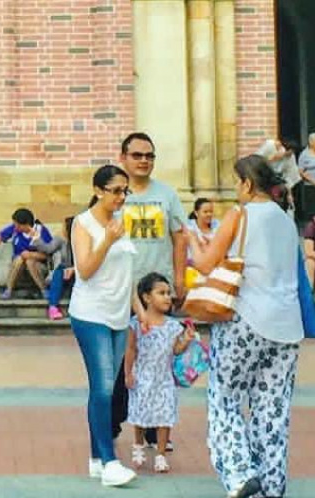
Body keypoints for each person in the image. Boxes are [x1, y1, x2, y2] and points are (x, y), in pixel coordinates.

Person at [187, 155, 304, 498]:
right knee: (273, 411)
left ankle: (239, 473)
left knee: (224, 399)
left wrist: (190, 239)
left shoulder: (240, 214)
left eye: (237, 183)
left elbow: (205, 264)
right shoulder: (286, 219)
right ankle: (271, 488)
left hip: (245, 319)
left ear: (248, 184)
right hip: (287, 325)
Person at [113, 132, 187, 447]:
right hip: (123, 290)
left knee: (159, 359)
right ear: (123, 158)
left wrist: (179, 280)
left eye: (149, 156)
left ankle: (158, 429)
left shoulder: (166, 195)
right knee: (123, 359)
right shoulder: (116, 196)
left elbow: (180, 237)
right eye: (137, 155)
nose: (144, 161)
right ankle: (116, 421)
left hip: (157, 292)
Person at [68, 164, 138, 488]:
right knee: (103, 386)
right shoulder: (83, 224)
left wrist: (140, 310)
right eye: (116, 191)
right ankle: (110, 462)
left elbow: (128, 272)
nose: (121, 197)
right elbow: (84, 270)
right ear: (98, 190)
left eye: (125, 191)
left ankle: (97, 458)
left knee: (105, 388)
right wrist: (107, 240)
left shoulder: (121, 220)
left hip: (119, 314)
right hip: (91, 313)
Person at [123, 273, 196, 474]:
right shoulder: (136, 324)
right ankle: (138, 445)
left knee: (165, 415)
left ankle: (161, 454)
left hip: (164, 378)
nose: (167, 297)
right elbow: (131, 349)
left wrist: (186, 340)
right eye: (161, 293)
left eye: (168, 293)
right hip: (143, 375)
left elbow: (176, 350)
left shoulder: (173, 326)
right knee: (140, 412)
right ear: (146, 297)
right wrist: (128, 373)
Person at [0, 208, 53, 299]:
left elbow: (48, 253)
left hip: (38, 267)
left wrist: (31, 255)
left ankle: (43, 289)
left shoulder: (41, 231)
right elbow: (1, 236)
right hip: (18, 267)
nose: (16, 227)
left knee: (29, 261)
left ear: (26, 225)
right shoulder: (14, 229)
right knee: (20, 259)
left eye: (18, 225)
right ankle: (8, 290)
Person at [46, 217, 76, 321]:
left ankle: (75, 309)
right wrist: (36, 239)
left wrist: (74, 269)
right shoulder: (62, 241)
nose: (61, 229)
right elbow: (48, 249)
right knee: (59, 270)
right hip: (65, 273)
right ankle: (53, 307)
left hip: (80, 273)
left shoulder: (83, 243)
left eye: (63, 227)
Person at [186, 198, 218, 267]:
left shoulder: (217, 226)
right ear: (196, 213)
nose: (209, 214)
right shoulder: (189, 227)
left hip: (214, 265)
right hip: (193, 266)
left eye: (211, 211)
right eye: (205, 212)